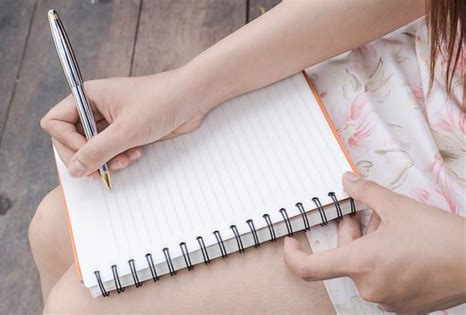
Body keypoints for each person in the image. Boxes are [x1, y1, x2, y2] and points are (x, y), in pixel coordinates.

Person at [30, 0, 465, 313]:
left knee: (78, 306)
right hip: (429, 68)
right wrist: (184, 88)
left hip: (446, 227)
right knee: (53, 228)